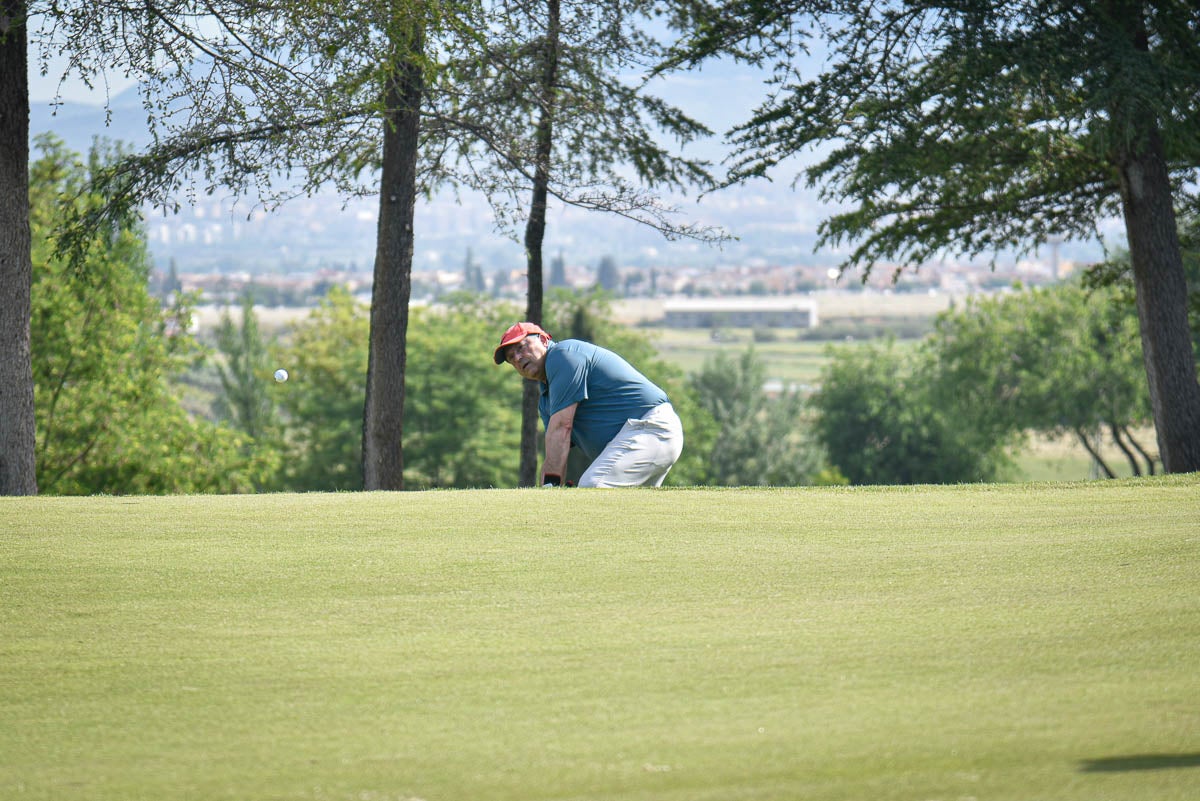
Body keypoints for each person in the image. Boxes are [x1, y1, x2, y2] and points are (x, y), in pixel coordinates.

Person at [493, 322, 684, 488]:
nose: (517, 358)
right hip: (645, 435)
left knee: (593, 485)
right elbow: (558, 447)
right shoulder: (546, 399)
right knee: (633, 513)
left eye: (521, 347)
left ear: (543, 340)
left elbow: (562, 428)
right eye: (511, 358)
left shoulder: (562, 355)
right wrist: (549, 488)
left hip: (651, 428)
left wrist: (550, 489)